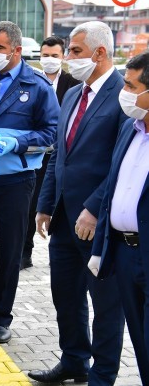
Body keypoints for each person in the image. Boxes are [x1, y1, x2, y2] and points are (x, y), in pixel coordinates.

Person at [31, 21, 127, 385]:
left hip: (99, 222)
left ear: (100, 53)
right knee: (66, 296)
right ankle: (74, 360)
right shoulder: (72, 94)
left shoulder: (124, 96)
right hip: (64, 219)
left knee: (105, 305)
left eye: (74, 52)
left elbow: (120, 163)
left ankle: (103, 374)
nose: (68, 59)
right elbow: (60, 155)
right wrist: (44, 204)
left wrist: (93, 206)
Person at [0, 21, 60, 344]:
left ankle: (1, 317)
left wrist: (17, 142)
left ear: (16, 50)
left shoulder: (38, 87)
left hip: (16, 182)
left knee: (9, 251)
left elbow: (51, 134)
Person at [90, 51, 149, 385]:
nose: (123, 92)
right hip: (125, 254)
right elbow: (114, 189)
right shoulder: (130, 128)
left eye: (131, 85)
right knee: (139, 342)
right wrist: (101, 249)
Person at [21, 36, 81, 269]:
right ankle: (25, 252)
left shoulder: (73, 83)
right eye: (45, 56)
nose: (49, 60)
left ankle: (63, 249)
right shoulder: (33, 81)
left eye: (54, 56)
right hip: (35, 153)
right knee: (30, 205)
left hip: (61, 154)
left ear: (63, 56)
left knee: (59, 203)